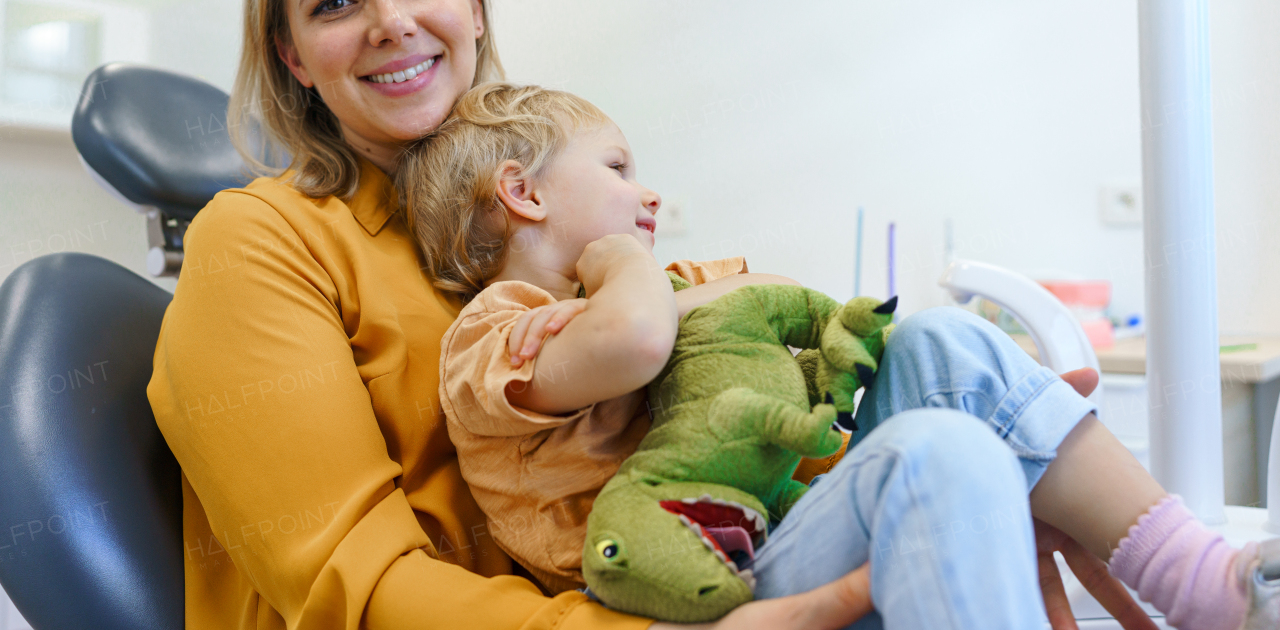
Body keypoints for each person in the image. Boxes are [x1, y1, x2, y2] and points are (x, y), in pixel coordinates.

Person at [144, 0, 1217, 630]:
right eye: (336, 3)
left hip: (701, 545)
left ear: (472, 1)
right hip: (620, 600)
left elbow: (733, 329)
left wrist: (1013, 469)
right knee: (935, 454)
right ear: (290, 53)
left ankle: (1209, 586)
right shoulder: (265, 238)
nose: (389, 20)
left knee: (941, 368)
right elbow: (351, 584)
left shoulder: (527, 212)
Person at [397, 81, 1280, 630]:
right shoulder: (497, 332)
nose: (648, 190)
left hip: (784, 531)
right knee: (935, 454)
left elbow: (796, 309)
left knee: (937, 342)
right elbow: (634, 340)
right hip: (700, 590)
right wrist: (626, 264)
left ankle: (1197, 581)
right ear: (522, 192)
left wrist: (1017, 415)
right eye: (619, 167)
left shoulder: (642, 293)